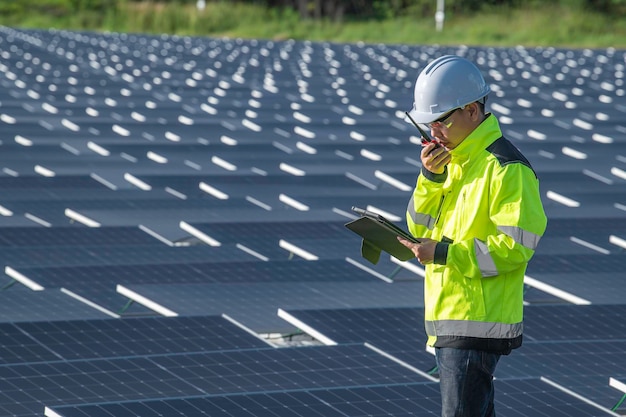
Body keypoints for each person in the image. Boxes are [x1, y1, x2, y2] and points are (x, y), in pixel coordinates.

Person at [397, 55, 547, 417]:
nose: (433, 133)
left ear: (471, 110)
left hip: (476, 322)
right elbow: (417, 227)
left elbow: (516, 246)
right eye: (427, 124)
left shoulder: (506, 168)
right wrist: (430, 180)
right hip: (450, 318)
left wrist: (446, 254)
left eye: (440, 121)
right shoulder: (452, 162)